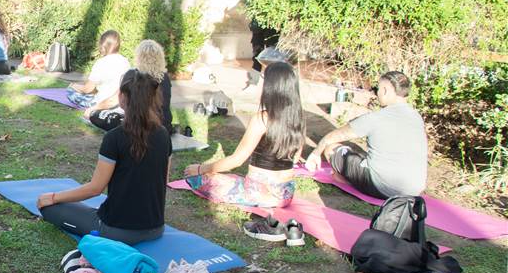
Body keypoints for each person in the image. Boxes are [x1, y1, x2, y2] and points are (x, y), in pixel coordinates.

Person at [37, 70, 172, 245]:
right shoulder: (163, 134)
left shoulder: (114, 137)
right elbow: (163, 180)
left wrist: (53, 197)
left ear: (122, 97)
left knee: (48, 206)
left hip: (114, 230)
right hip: (156, 228)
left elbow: (95, 189)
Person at [183, 61, 304, 214]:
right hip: (286, 194)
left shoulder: (262, 119)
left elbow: (237, 160)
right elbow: (295, 157)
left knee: (197, 179)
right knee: (229, 179)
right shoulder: (297, 118)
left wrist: (201, 169)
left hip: (259, 194)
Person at [305, 70, 427, 198]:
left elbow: (333, 137)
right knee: (361, 152)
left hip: (382, 188)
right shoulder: (416, 117)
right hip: (413, 190)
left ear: (385, 91)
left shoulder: (376, 118)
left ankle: (343, 179)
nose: (376, 94)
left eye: (377, 89)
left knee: (331, 149)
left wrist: (316, 153)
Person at [89, 39, 173, 134]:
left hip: (137, 126)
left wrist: (93, 109)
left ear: (139, 57)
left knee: (96, 115)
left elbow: (114, 100)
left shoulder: (132, 75)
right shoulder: (165, 77)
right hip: (164, 126)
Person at [68, 30, 131, 119]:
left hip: (103, 103)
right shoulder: (125, 61)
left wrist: (74, 86)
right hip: (121, 104)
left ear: (102, 45)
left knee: (70, 92)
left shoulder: (101, 63)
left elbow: (88, 89)